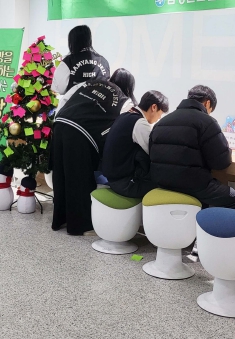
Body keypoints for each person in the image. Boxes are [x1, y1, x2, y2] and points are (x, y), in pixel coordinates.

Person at [52, 79, 127, 235]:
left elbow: (65, 99)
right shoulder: (122, 99)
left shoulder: (91, 83)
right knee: (79, 179)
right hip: (80, 133)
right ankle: (80, 226)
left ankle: (60, 219)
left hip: (60, 123)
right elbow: (121, 127)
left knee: (60, 175)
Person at [150, 85, 235, 209]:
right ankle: (207, 222)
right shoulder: (207, 122)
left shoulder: (161, 122)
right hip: (192, 186)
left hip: (161, 183)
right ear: (207, 103)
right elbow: (221, 163)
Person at [102, 90, 169, 198]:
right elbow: (155, 152)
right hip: (125, 183)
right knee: (166, 186)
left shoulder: (124, 116)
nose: (159, 118)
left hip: (113, 178)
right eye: (160, 114)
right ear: (154, 107)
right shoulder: (139, 123)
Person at [51, 25, 110, 95]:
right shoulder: (103, 61)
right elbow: (108, 87)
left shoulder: (68, 61)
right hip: (99, 101)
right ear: (89, 40)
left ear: (72, 41)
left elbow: (59, 89)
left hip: (75, 101)